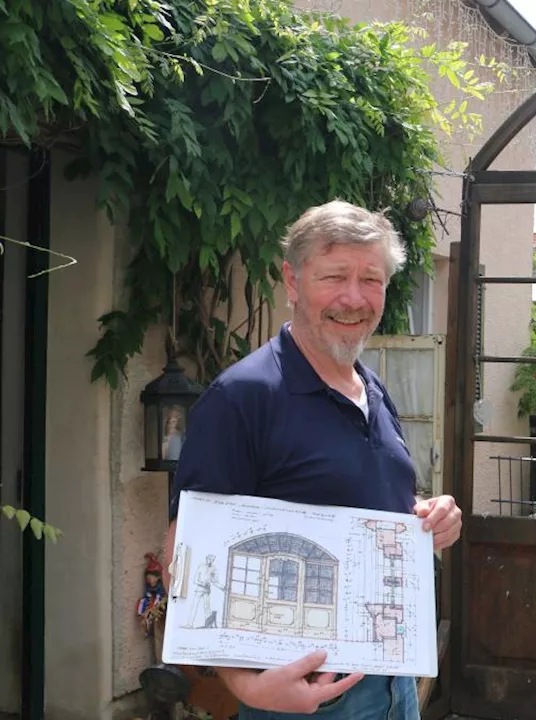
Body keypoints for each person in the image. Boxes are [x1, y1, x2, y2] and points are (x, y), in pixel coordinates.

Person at [163, 200, 463, 719]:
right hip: (304, 701)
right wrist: (246, 687)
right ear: (293, 281)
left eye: (371, 279)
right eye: (334, 277)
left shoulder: (372, 390)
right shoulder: (243, 397)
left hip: (395, 691)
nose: (353, 298)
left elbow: (362, 503)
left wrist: (428, 517)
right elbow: (184, 555)